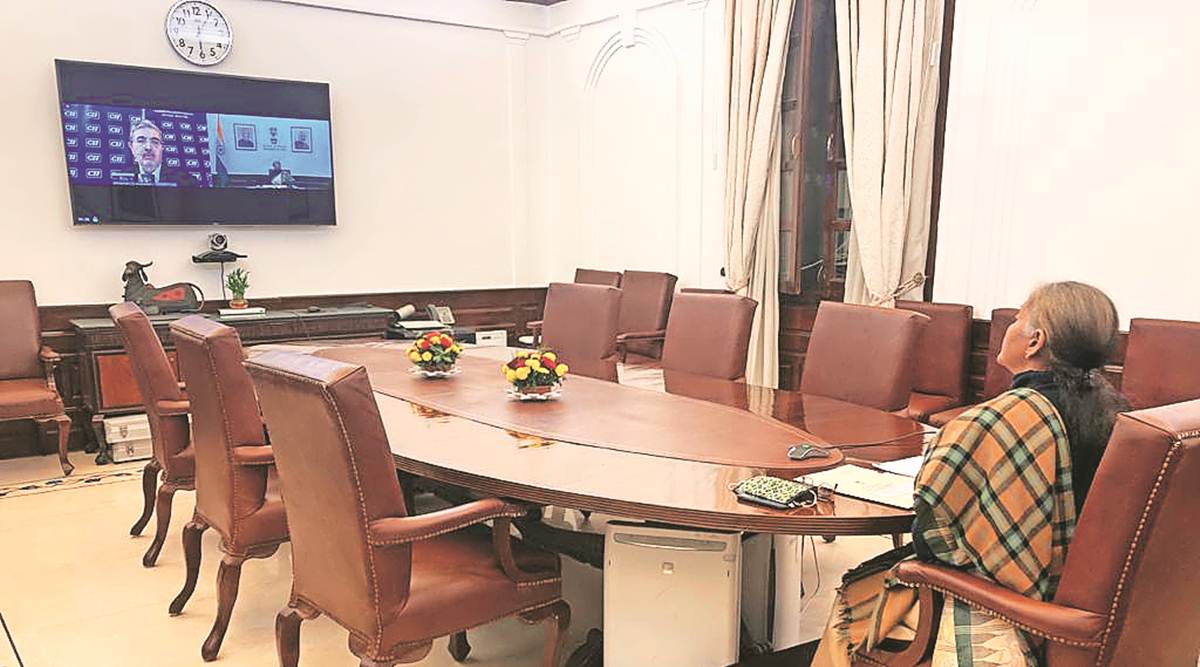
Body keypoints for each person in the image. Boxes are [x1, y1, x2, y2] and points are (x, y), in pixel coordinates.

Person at [811, 282, 1127, 667]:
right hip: (1084, 609)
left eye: (1018, 318)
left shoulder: (1003, 420)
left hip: (1011, 611)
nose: (1011, 326)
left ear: (1035, 342)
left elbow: (931, 539)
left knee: (855, 595)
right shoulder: (1110, 412)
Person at [126, 119, 199, 187]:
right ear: (131, 146)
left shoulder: (187, 182)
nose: (148, 147)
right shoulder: (120, 178)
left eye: (155, 142)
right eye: (141, 141)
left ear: (162, 147)